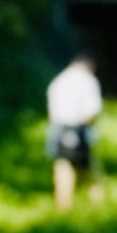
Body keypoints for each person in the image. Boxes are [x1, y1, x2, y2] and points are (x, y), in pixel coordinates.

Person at [46, 54, 103, 212]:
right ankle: (99, 206)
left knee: (62, 168)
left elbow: (51, 110)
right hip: (79, 129)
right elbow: (91, 111)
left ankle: (62, 206)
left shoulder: (58, 81)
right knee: (90, 168)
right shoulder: (88, 81)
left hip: (58, 128)